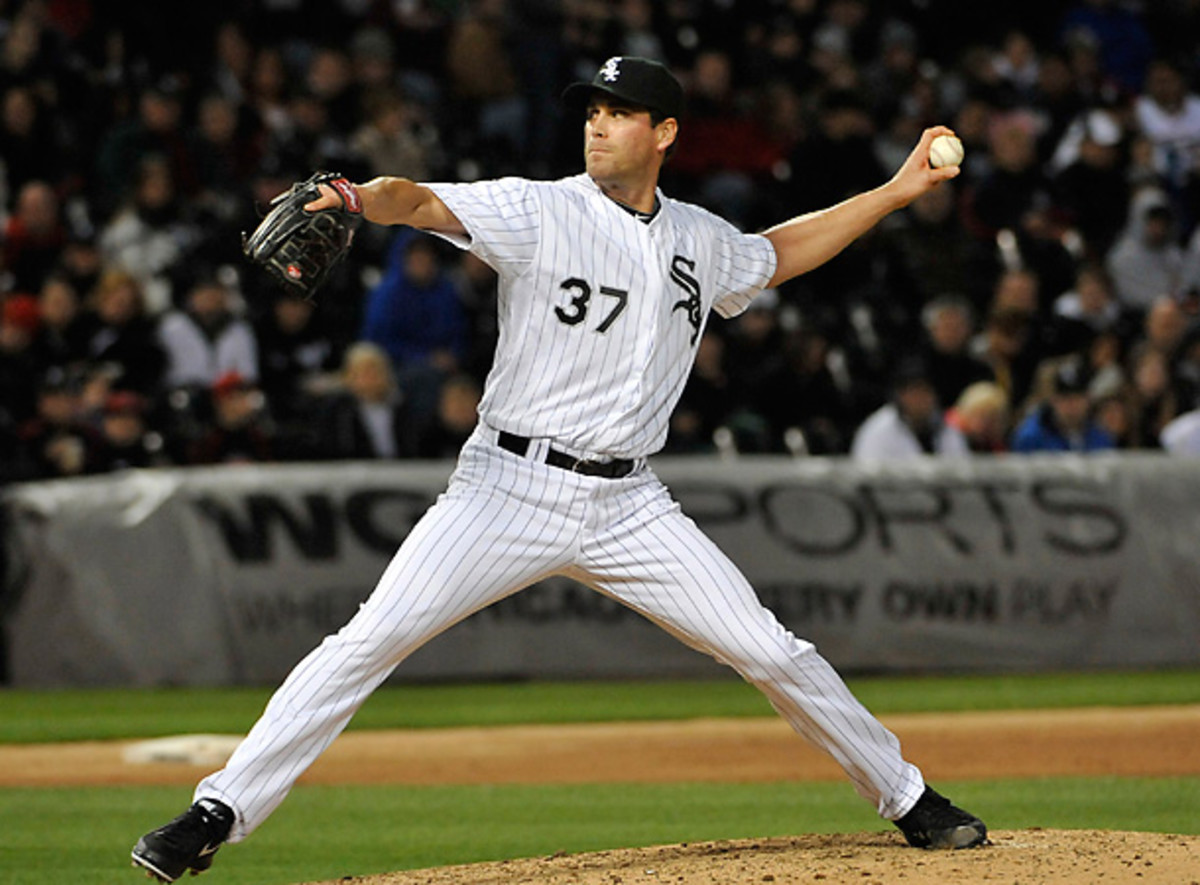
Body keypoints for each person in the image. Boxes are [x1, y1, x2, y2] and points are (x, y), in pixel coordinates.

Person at [130, 57, 987, 883]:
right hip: (506, 487)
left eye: (618, 114)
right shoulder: (538, 209)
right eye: (592, 112)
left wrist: (896, 191)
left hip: (630, 502)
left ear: (665, 133)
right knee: (369, 639)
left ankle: (908, 796)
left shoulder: (698, 237)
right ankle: (216, 811)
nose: (597, 127)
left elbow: (777, 252)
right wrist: (356, 196)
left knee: (773, 649)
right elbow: (417, 199)